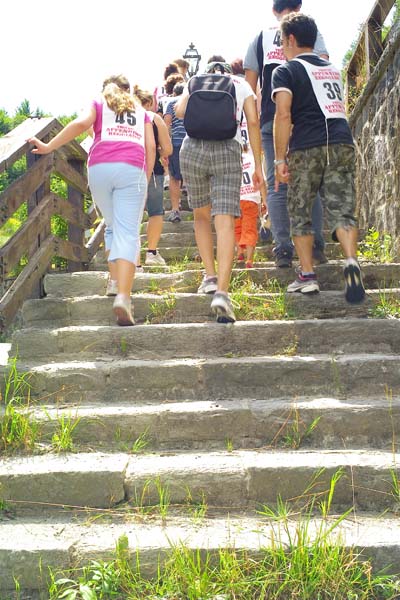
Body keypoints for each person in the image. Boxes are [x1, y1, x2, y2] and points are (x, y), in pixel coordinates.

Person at [28, 75, 156, 325]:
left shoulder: (98, 103)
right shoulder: (141, 111)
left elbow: (80, 124)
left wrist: (49, 146)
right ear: (127, 91)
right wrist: (145, 176)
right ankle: (123, 296)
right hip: (132, 168)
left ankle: (115, 280)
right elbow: (150, 147)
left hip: (99, 169)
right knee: (128, 231)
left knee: (112, 225)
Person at [272, 12, 365, 304]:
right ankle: (351, 261)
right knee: (342, 208)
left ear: (290, 39)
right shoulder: (332, 69)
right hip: (340, 141)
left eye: (282, 41)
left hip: (306, 145)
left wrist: (279, 159)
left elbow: (283, 114)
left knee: (300, 210)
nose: (282, 47)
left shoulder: (286, 71)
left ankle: (308, 275)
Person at [175, 57, 264, 323]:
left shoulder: (195, 81)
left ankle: (210, 276)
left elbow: (180, 112)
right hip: (227, 149)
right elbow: (253, 122)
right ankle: (222, 294)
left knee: (201, 216)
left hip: (192, 149)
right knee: (224, 221)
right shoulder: (241, 85)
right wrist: (258, 165)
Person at [244, 0, 329, 268]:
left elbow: (249, 87)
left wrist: (253, 122)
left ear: (274, 10)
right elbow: (323, 69)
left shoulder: (259, 38)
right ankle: (316, 247)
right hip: (307, 118)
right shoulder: (311, 31)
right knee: (310, 182)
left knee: (277, 185)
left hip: (271, 118)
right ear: (299, 7)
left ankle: (282, 249)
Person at [134, 86, 173, 266]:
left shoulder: (126, 117)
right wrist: (159, 151)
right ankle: (151, 252)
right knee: (155, 212)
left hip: (130, 168)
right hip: (153, 170)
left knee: (131, 214)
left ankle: (134, 259)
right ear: (149, 102)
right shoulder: (154, 118)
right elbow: (168, 149)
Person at [164, 82, 187, 224]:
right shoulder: (191, 100)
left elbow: (167, 123)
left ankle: (175, 210)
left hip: (176, 143)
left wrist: (166, 146)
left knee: (174, 177)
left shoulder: (171, 102)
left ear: (174, 92)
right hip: (192, 141)